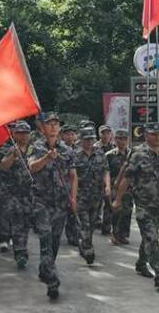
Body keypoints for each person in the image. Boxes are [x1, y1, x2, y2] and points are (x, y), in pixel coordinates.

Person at [113, 122, 159, 291]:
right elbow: (127, 178)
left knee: (149, 238)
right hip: (143, 204)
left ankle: (140, 263)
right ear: (146, 135)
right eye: (153, 134)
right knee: (152, 238)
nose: (158, 137)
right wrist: (118, 199)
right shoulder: (138, 154)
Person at [28, 112, 77, 300]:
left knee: (55, 241)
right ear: (42, 127)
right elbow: (32, 167)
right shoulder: (37, 147)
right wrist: (47, 158)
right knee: (46, 238)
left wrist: (73, 198)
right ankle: (52, 280)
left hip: (60, 203)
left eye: (57, 124)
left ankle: (45, 269)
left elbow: (73, 176)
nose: (54, 127)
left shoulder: (67, 150)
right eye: (50, 124)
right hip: (41, 201)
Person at [0, 120, 35, 269]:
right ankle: (20, 253)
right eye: (20, 133)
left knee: (26, 223)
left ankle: (22, 247)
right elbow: (4, 165)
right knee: (18, 222)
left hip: (31, 193)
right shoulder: (10, 149)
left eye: (26, 133)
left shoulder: (35, 149)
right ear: (14, 134)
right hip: (14, 193)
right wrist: (13, 155)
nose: (23, 136)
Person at [73, 128, 109, 265]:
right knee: (85, 225)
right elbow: (71, 176)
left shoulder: (100, 154)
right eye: (86, 139)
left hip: (96, 196)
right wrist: (73, 196)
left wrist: (107, 186)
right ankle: (88, 250)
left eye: (91, 139)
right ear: (81, 140)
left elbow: (106, 170)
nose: (89, 142)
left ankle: (84, 244)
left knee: (92, 225)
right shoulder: (75, 155)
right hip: (81, 196)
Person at [105, 128, 133, 245]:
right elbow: (105, 171)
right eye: (119, 139)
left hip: (129, 188)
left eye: (124, 139)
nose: (122, 141)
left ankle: (123, 235)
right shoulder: (109, 155)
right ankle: (115, 234)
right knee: (116, 211)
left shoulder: (132, 154)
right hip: (114, 187)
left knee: (128, 212)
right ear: (115, 140)